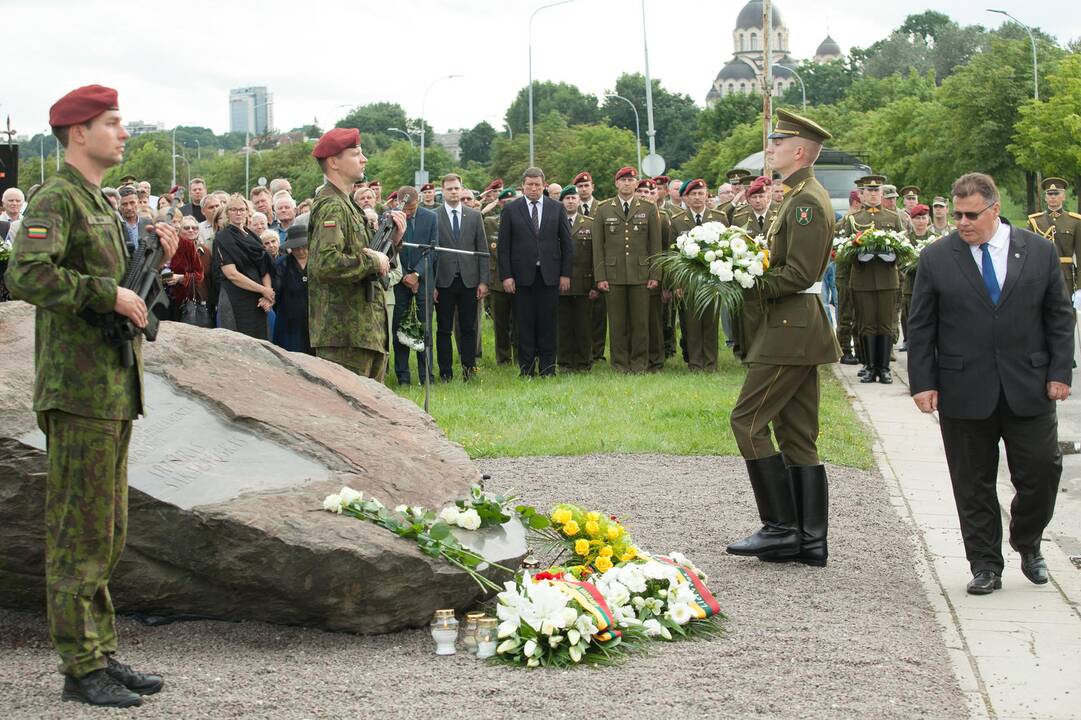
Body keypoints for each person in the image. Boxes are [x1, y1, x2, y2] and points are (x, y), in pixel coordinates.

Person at [4, 84, 173, 707]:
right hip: (77, 391)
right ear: (79, 133)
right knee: (79, 531)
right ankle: (81, 667)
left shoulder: (96, 201)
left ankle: (99, 651)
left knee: (107, 529)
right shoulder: (56, 198)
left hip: (109, 387)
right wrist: (108, 295)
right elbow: (25, 273)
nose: (123, 133)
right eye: (113, 123)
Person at [907, 172, 1074, 595]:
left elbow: (1058, 317)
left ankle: (1027, 539)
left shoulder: (1038, 251)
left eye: (970, 215)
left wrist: (1059, 372)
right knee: (972, 480)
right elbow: (921, 326)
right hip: (964, 387)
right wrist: (922, 382)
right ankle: (985, 564)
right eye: (957, 214)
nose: (961, 222)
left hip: (1029, 384)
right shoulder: (937, 258)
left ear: (994, 210)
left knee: (1042, 470)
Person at [726, 109, 839, 568]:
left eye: (776, 143)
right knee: (797, 434)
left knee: (747, 422)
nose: (769, 150)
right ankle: (808, 542)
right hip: (793, 328)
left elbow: (800, 272)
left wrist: (744, 280)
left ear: (799, 151)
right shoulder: (796, 195)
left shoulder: (807, 200)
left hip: (790, 330)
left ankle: (779, 528)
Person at [308, 127, 405, 381]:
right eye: (356, 153)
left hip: (364, 330)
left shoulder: (348, 204)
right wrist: (373, 259)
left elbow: (371, 260)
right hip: (345, 336)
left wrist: (392, 243)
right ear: (333, 162)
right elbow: (325, 263)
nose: (364, 159)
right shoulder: (332, 206)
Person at [497, 166, 573, 377]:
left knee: (548, 323)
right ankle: (527, 368)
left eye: (537, 185)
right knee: (524, 324)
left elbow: (567, 244)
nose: (533, 188)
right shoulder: (511, 210)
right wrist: (507, 276)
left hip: (549, 276)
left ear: (544, 186)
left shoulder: (556, 208)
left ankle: (548, 368)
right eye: (529, 185)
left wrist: (565, 274)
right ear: (523, 186)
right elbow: (504, 247)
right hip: (521, 277)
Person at [592, 166, 661, 373]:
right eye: (623, 180)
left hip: (641, 274)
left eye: (631, 180)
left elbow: (655, 244)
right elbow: (598, 246)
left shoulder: (649, 209)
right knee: (617, 323)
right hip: (613, 275)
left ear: (636, 183)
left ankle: (639, 363)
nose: (627, 183)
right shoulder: (604, 209)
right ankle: (620, 364)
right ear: (616, 183)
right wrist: (600, 276)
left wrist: (655, 273)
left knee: (640, 323)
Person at [845, 175, 904, 384]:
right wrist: (858, 254)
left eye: (876, 190)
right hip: (862, 279)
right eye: (869, 191)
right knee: (867, 323)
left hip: (887, 278)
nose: (873, 194)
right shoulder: (853, 219)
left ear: (881, 193)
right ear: (862, 194)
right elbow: (843, 250)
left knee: (886, 323)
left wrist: (892, 255)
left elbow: (903, 247)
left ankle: (884, 367)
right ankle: (869, 366)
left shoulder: (893, 218)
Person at [433, 173, 488, 382]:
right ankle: (445, 372)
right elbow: (431, 252)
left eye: (457, 188)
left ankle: (469, 369)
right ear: (443, 192)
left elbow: (482, 249)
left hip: (469, 281)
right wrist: (432, 285)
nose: (454, 192)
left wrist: (483, 281)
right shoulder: (434, 216)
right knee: (444, 329)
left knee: (468, 327)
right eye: (449, 189)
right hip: (444, 281)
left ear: (462, 189)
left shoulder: (474, 216)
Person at [669, 178, 727, 370]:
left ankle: (710, 362)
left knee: (710, 322)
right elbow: (673, 255)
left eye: (700, 193)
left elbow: (727, 252)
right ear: (685, 197)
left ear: (707, 194)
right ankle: (695, 363)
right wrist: (677, 283)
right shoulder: (677, 221)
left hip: (712, 279)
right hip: (688, 280)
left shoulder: (719, 218)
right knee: (691, 323)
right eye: (693, 194)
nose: (697, 198)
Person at [393, 186, 438, 385]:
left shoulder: (431, 218)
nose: (408, 213)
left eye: (411, 209)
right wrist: (404, 275)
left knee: (424, 328)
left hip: (423, 281)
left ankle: (426, 376)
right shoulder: (391, 218)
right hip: (399, 282)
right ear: (398, 202)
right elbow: (388, 248)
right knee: (399, 329)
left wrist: (417, 274)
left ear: (417, 202)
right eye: (406, 210)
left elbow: (434, 249)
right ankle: (403, 377)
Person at [213, 193, 274, 339]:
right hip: (235, 296)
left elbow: (265, 266)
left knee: (262, 340)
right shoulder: (223, 237)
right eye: (234, 209)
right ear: (228, 213)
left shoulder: (252, 235)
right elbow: (231, 274)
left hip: (259, 299)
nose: (238, 213)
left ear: (247, 212)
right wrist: (264, 290)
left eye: (242, 209)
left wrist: (268, 295)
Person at [556, 184, 596, 371]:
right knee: (562, 325)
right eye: (567, 198)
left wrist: (595, 284)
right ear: (561, 201)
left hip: (584, 283)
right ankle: (564, 362)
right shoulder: (553, 222)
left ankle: (583, 362)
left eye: (574, 198)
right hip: (560, 283)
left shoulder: (590, 223)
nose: (571, 201)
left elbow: (597, 256)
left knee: (583, 326)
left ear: (579, 201)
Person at [1028, 178, 1081, 299]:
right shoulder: (1035, 221)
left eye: (1056, 193)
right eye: (1049, 194)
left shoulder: (1075, 221)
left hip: (1066, 277)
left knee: (1066, 315)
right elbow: (1028, 253)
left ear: (1063, 196)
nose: (1053, 197)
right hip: (1041, 275)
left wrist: (1080, 288)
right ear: (1045, 197)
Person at [573, 171, 606, 361]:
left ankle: (598, 352)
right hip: (579, 269)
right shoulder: (570, 209)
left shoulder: (602, 208)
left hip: (598, 266)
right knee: (581, 315)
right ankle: (583, 350)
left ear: (593, 187)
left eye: (586, 186)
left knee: (599, 314)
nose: (583, 189)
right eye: (580, 187)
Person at [483, 188, 516, 366]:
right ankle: (503, 358)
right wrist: (488, 204)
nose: (509, 204)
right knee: (501, 322)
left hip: (519, 278)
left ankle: (520, 355)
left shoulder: (522, 220)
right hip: (497, 280)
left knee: (519, 321)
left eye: (513, 201)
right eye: (505, 202)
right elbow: (473, 220)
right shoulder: (490, 222)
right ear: (500, 203)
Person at [273, 214, 313, 354]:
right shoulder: (281, 264)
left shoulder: (319, 262)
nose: (301, 251)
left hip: (314, 320)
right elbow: (275, 293)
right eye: (296, 248)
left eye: (304, 247)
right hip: (289, 322)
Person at [898, 204, 933, 352]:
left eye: (923, 218)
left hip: (930, 284)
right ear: (911, 220)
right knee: (908, 313)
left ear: (928, 219)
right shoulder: (904, 239)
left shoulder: (934, 239)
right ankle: (909, 339)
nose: (920, 221)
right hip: (911, 282)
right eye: (917, 218)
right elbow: (900, 261)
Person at [164, 215, 205, 321]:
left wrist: (181, 278)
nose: (191, 230)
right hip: (167, 300)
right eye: (186, 228)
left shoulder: (201, 249)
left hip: (191, 301)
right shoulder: (166, 245)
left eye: (194, 228)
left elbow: (200, 276)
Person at [116, 185, 151, 254]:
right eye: (124, 204)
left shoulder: (149, 223)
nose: (129, 207)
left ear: (137, 203)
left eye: (132, 203)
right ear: (119, 206)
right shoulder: (116, 226)